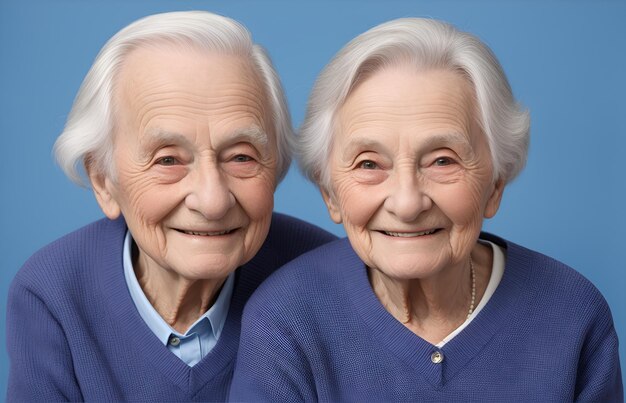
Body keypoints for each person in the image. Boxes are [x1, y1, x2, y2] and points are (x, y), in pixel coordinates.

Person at [230, 18, 623, 401]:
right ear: (330, 193)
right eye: (369, 164)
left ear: (496, 184)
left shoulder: (571, 312)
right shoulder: (285, 318)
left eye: (442, 161)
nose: (407, 202)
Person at [5, 11, 335, 402]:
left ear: (275, 167)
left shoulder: (327, 281)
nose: (212, 201)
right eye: (168, 160)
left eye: (242, 157)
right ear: (103, 181)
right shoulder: (53, 293)